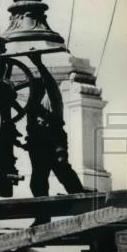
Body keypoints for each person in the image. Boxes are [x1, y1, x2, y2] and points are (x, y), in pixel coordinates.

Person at [24, 57, 85, 197]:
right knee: (38, 180)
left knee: (63, 170)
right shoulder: (31, 106)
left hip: (54, 140)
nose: (32, 91)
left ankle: (80, 199)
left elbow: (50, 83)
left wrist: (39, 64)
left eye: (35, 87)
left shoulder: (52, 100)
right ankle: (42, 215)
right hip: (37, 143)